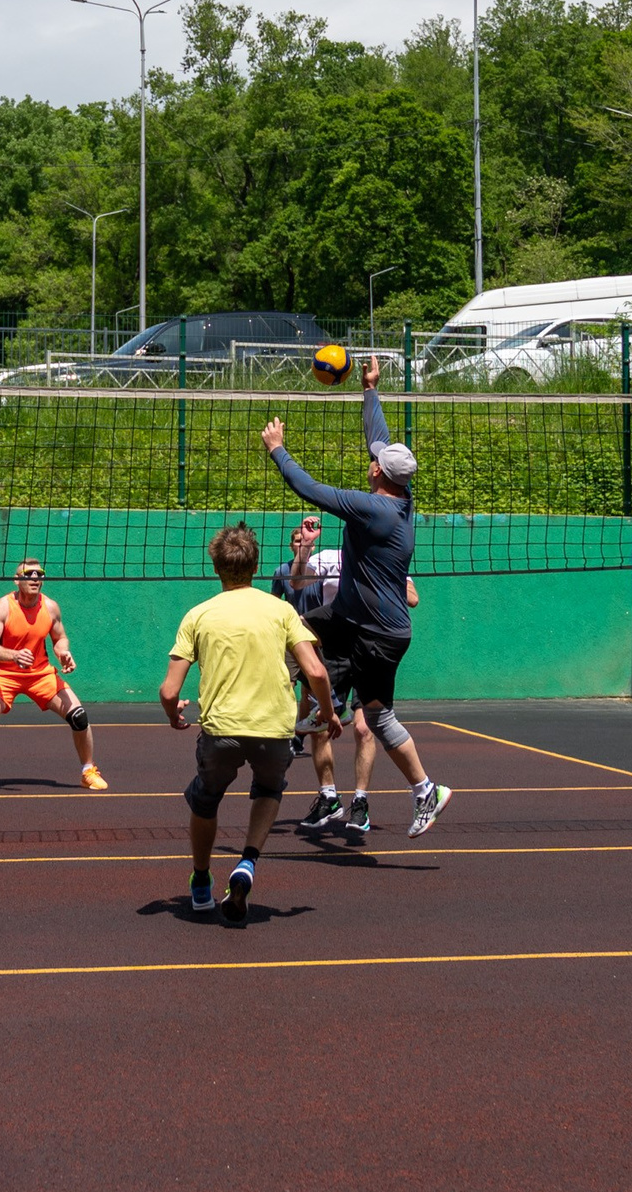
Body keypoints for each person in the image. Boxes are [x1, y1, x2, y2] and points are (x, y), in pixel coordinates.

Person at [262, 355, 452, 839]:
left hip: (376, 632)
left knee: (379, 717)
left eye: (375, 461)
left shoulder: (372, 511)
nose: (372, 459)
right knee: (295, 630)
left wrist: (278, 450)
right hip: (354, 618)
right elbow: (379, 438)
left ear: (378, 475)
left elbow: (308, 488)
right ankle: (326, 708)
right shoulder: (400, 496)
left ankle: (425, 788)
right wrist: (369, 390)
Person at [159, 522, 338, 919]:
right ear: (255, 566)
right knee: (269, 790)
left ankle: (201, 881)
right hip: (274, 730)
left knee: (206, 800)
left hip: (221, 730)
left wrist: (174, 715)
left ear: (215, 567)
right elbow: (317, 672)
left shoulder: (198, 614)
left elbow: (169, 691)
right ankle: (247, 863)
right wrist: (327, 714)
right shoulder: (282, 610)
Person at [278, 517, 420, 830]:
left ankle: (360, 801)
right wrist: (306, 547)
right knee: (320, 723)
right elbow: (297, 581)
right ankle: (328, 797)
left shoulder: (385, 559)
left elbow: (412, 598)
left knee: (364, 728)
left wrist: (381, 576)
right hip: (337, 649)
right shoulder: (329, 558)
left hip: (371, 648)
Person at [0, 557, 106, 793]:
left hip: (40, 674)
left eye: (39, 574)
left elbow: (60, 638)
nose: (34, 578)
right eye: (28, 574)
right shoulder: (2, 607)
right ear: (16, 579)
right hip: (5, 675)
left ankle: (88, 771)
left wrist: (63, 653)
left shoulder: (50, 607)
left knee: (79, 717)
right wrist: (14, 655)